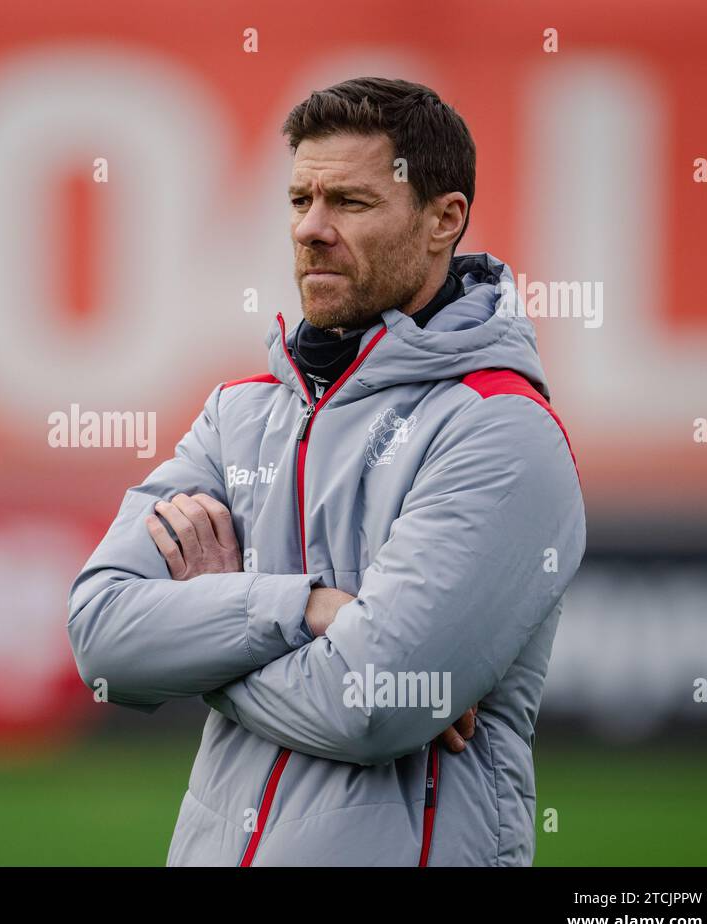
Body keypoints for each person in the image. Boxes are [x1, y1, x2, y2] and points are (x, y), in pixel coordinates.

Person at [66, 77, 585, 866]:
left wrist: (209, 630)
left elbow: (373, 706)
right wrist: (302, 611)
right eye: (300, 199)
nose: (311, 229)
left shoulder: (501, 429)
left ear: (444, 219)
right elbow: (102, 638)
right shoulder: (238, 413)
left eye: (350, 202)